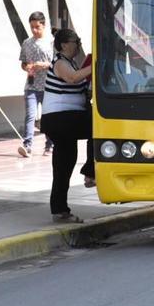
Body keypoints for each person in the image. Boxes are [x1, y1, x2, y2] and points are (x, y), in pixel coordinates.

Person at [40, 29, 95, 223]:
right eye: (75, 41)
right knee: (98, 127)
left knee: (64, 165)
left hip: (65, 119)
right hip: (60, 118)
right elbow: (73, 78)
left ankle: (60, 209)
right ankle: (90, 172)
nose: (78, 44)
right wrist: (96, 63)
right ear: (63, 45)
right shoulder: (61, 63)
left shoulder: (71, 63)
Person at [17, 11, 55, 157]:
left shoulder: (51, 42)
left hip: (48, 86)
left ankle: (49, 144)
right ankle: (27, 145)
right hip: (31, 85)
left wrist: (44, 65)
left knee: (47, 117)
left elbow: (56, 64)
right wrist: (26, 67)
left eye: (37, 27)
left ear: (43, 25)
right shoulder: (27, 43)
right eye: (32, 27)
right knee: (30, 115)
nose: (34, 30)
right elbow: (23, 62)